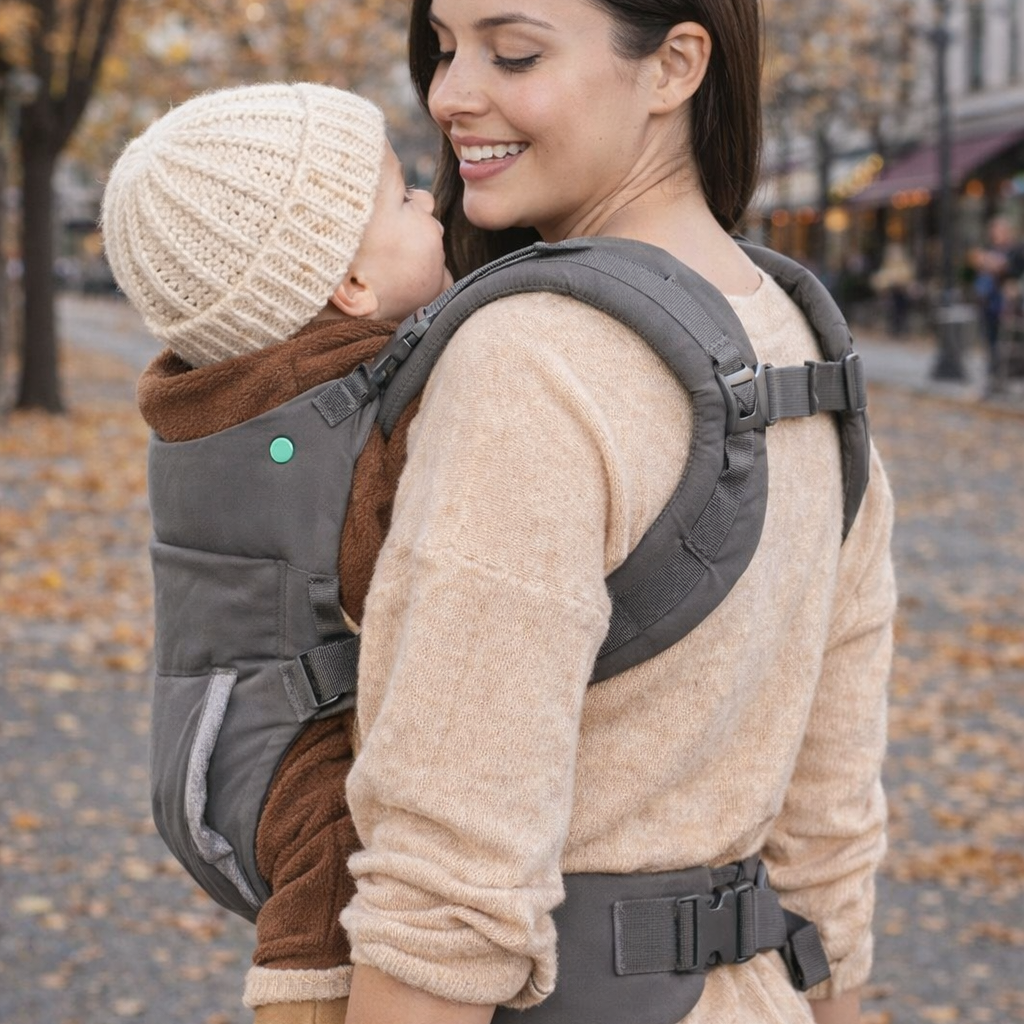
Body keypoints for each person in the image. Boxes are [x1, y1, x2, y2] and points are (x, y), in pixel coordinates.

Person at [339, 4, 896, 1024]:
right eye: (446, 46)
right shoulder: (801, 341)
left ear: (676, 66)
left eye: (513, 51)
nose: (450, 93)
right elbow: (827, 825)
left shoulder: (531, 361)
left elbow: (442, 892)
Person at [100, 82, 451, 1024]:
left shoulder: (222, 397)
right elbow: (413, 577)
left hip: (206, 746)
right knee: (337, 881)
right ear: (351, 290)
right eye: (404, 194)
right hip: (279, 766)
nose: (431, 201)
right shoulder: (331, 418)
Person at [969, 215, 1024, 383]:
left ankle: (1004, 372)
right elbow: (976, 262)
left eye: (1000, 231)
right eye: (994, 231)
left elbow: (1009, 270)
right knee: (990, 338)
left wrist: (991, 264)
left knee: (1005, 340)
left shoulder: (1016, 249)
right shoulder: (990, 248)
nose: (996, 234)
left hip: (1005, 302)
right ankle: (993, 371)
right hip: (987, 300)